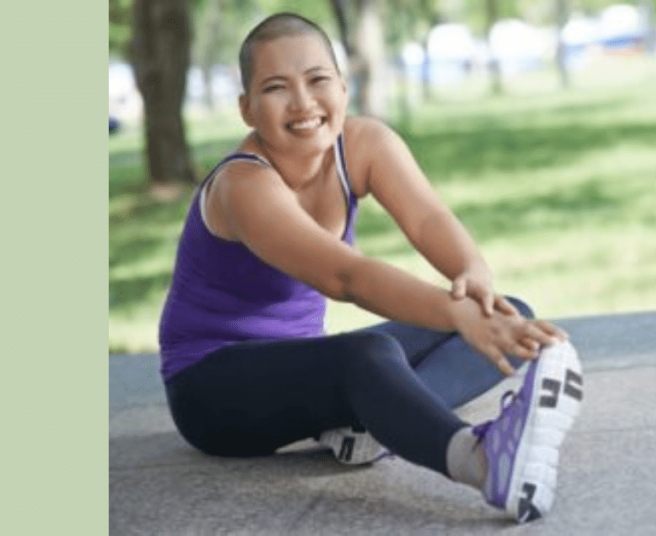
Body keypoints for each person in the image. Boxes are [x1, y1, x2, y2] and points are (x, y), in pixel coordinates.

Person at [158, 12, 583, 523]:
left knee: (510, 312)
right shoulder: (243, 188)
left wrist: (473, 280)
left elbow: (427, 219)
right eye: (276, 88)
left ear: (343, 85)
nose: (303, 102)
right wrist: (460, 317)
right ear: (247, 109)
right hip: (212, 391)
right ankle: (483, 461)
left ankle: (372, 428)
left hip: (301, 368)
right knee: (370, 352)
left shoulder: (364, 144)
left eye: (318, 80)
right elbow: (346, 278)